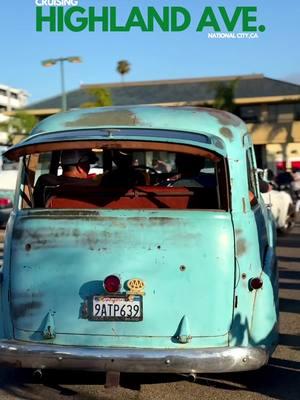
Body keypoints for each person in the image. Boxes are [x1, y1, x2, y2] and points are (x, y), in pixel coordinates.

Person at [33, 149, 98, 207]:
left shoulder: (44, 182)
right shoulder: (93, 186)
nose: (89, 168)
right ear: (80, 168)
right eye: (88, 164)